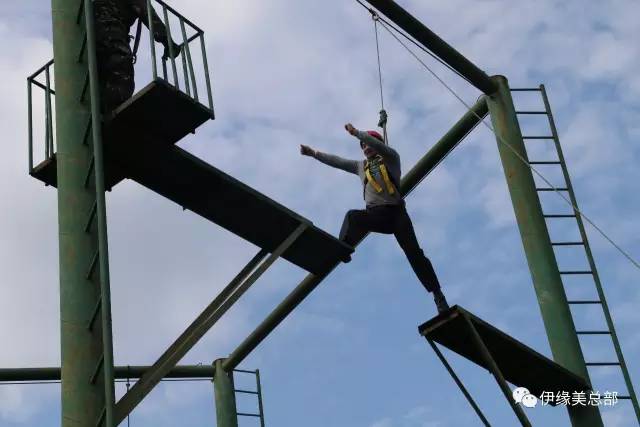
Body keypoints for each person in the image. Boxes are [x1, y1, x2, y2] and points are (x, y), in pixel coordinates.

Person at [300, 123, 450, 314]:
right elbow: (338, 161)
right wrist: (314, 153)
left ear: (378, 144)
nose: (366, 147)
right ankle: (343, 249)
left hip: (397, 215)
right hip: (376, 215)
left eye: (369, 144)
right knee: (352, 217)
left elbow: (380, 147)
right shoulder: (360, 167)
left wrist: (357, 133)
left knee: (414, 254)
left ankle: (437, 295)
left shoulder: (391, 158)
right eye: (363, 146)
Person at [94, 0, 181, 112]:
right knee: (121, 71)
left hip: (96, 31)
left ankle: (104, 109)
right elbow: (148, 14)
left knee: (103, 74)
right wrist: (168, 42)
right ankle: (117, 112)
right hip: (110, 28)